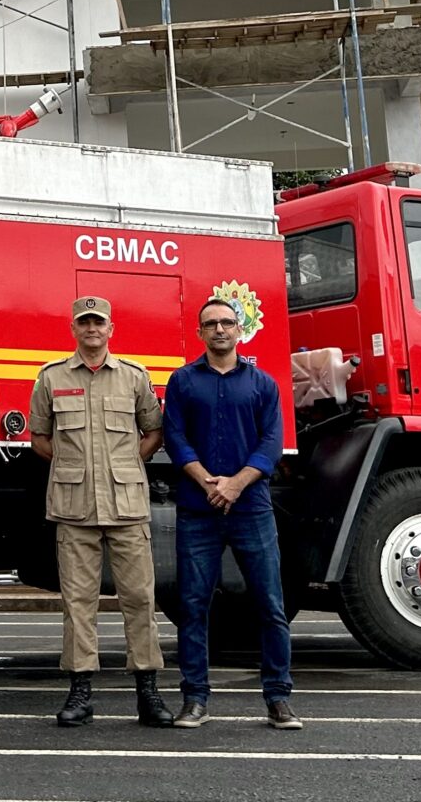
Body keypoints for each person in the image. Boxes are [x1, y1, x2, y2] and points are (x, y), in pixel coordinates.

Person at [27, 295, 170, 729]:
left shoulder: (132, 377)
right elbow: (39, 438)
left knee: (141, 600)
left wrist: (125, 463)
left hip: (125, 506)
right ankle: (80, 692)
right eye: (84, 323)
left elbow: (154, 431)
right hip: (74, 508)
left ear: (111, 330)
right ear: (74, 329)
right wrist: (76, 468)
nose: (91, 330)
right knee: (78, 604)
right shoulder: (52, 378)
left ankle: (148, 692)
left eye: (99, 323)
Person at [164, 294, 301, 731]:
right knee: (192, 606)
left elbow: (270, 443)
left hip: (252, 509)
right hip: (197, 509)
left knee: (270, 605)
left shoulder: (263, 384)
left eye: (227, 322)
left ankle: (278, 698)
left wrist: (236, 484)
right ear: (200, 332)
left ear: (240, 330)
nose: (220, 329)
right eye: (211, 324)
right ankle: (195, 699)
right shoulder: (183, 382)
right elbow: (175, 438)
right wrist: (207, 481)